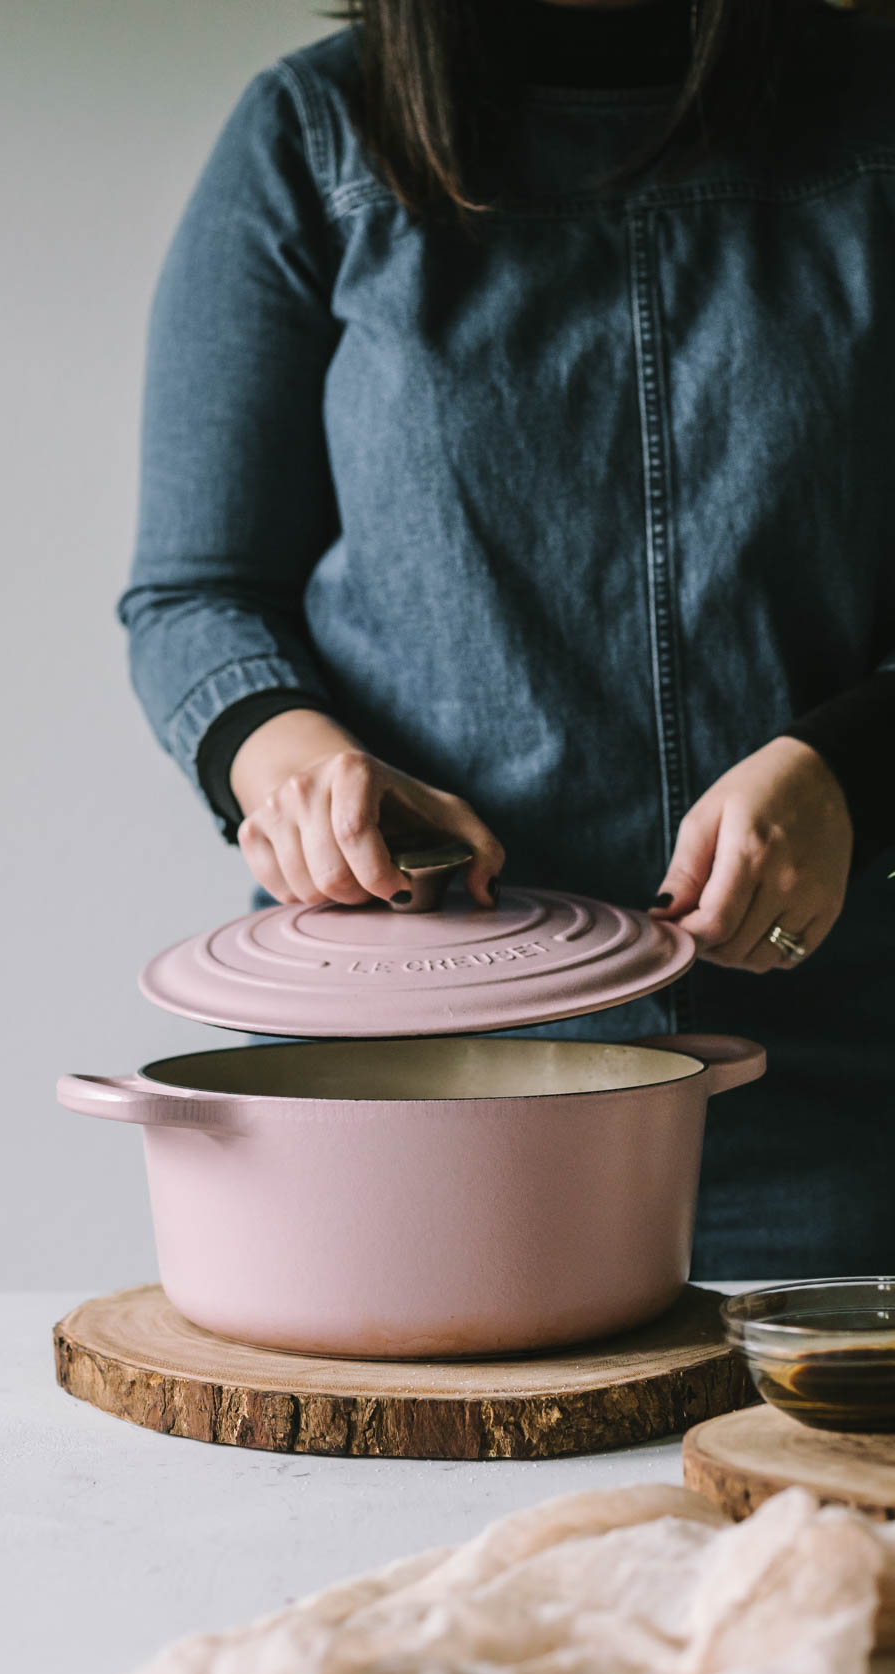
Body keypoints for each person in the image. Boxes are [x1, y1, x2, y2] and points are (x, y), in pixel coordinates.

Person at [116, 0, 895, 1278]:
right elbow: (198, 593)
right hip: (397, 1096)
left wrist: (854, 773)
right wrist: (298, 767)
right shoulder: (311, 133)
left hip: (841, 1079)